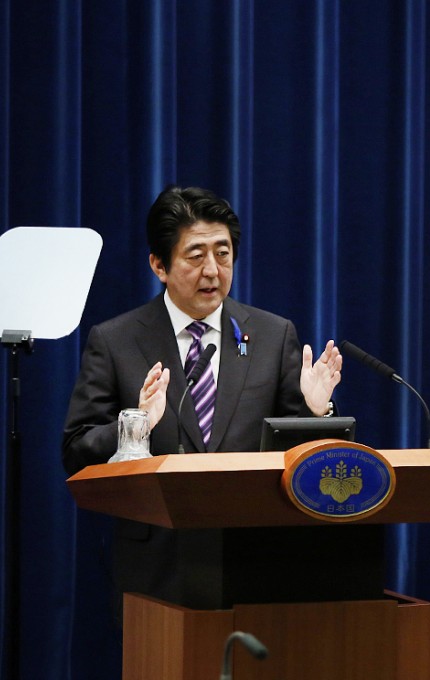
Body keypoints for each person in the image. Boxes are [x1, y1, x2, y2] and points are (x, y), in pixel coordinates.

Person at [61, 185, 343, 605]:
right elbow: (76, 449)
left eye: (223, 253)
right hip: (157, 565)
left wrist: (316, 414)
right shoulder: (115, 340)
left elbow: (296, 453)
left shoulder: (271, 335)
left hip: (256, 559)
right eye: (196, 256)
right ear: (159, 264)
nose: (212, 270)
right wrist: (136, 424)